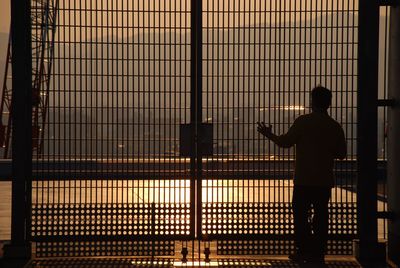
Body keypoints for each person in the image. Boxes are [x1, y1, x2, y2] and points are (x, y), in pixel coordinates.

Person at [257, 86, 346, 266]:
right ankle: (318, 253)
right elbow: (341, 153)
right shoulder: (335, 126)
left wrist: (269, 134)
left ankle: (303, 250)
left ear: (312, 102)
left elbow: (285, 142)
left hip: (304, 180)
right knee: (321, 217)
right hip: (323, 181)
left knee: (300, 216)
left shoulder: (303, 122)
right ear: (329, 103)